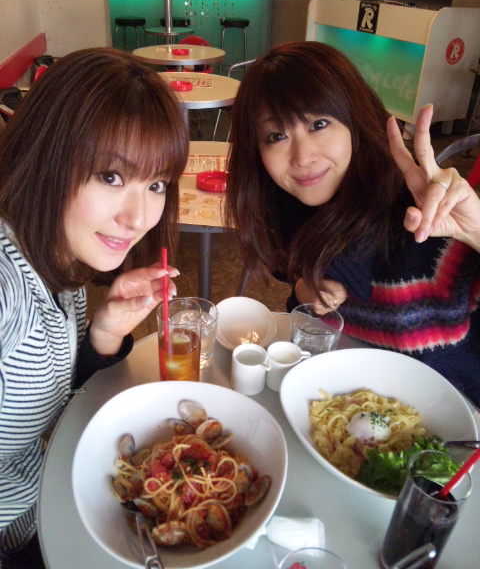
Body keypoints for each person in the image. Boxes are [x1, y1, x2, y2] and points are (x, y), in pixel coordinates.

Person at [0, 48, 189, 567]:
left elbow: (54, 401)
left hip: (41, 508)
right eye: (111, 176)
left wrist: (102, 335)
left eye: (156, 185)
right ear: (47, 154)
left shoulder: (63, 265)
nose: (138, 217)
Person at [225, 41, 480, 405]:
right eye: (276, 136)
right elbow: (311, 307)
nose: (302, 157)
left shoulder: (426, 214)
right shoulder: (287, 212)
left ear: (354, 119)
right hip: (341, 410)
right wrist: (305, 291)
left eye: (318, 124)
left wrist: (475, 232)